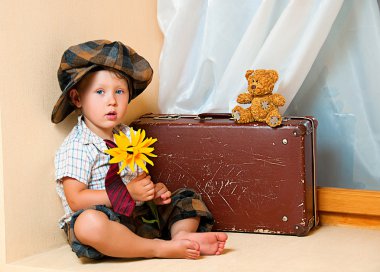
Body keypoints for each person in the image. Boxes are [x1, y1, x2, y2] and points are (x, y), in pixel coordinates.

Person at [52, 40, 228, 260]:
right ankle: (157, 248)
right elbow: (76, 199)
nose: (112, 102)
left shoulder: (128, 136)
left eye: (119, 91)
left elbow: (140, 179)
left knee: (185, 197)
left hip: (138, 218)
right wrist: (126, 193)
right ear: (77, 98)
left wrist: (153, 193)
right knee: (88, 224)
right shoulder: (77, 146)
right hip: (108, 224)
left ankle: (181, 236)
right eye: (100, 92)